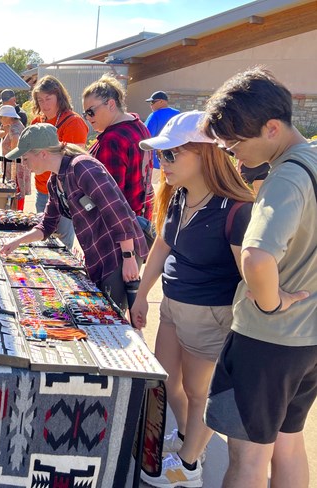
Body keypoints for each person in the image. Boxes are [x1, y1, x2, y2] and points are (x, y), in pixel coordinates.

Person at [202, 67, 315, 488]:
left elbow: (257, 257)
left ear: (272, 128)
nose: (233, 156)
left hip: (269, 340)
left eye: (235, 143)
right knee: (288, 443)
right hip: (308, 340)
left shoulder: (286, 176)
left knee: (248, 457)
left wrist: (270, 302)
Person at [130, 111, 254, 488]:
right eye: (161, 155)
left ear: (204, 154)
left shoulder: (235, 208)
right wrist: (142, 295)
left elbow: (250, 278)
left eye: (170, 155)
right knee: (169, 381)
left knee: (202, 393)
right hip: (172, 308)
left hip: (210, 316)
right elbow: (162, 246)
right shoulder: (179, 198)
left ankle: (187, 467)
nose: (161, 163)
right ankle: (188, 440)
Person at [0, 124, 148, 310]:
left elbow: (117, 211)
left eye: (26, 158)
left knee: (113, 315)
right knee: (104, 312)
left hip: (118, 253)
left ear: (43, 154)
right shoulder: (55, 181)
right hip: (97, 254)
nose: (24, 163)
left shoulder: (82, 167)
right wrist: (18, 240)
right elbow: (47, 224)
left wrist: (128, 257)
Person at [82, 74, 153, 220]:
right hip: (141, 217)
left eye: (91, 111)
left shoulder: (112, 140)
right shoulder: (139, 125)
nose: (88, 117)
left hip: (118, 225)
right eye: (85, 114)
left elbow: (108, 198)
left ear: (111, 104)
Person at [31, 75, 89, 250]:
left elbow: (75, 163)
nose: (45, 104)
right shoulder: (37, 121)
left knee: (62, 243)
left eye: (48, 99)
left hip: (64, 193)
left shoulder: (74, 122)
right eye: (40, 100)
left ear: (59, 97)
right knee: (43, 238)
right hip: (42, 189)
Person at [0, 105, 29, 210]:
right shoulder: (14, 125)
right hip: (16, 165)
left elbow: (15, 142)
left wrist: (11, 157)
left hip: (15, 167)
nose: (0, 120)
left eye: (1, 117)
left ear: (7, 117)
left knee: (15, 193)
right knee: (16, 193)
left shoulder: (14, 128)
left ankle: (16, 213)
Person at [144, 91, 180, 178]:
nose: (151, 105)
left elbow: (145, 137)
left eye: (153, 102)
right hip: (176, 160)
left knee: (156, 189)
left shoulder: (154, 115)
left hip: (157, 162)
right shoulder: (178, 114)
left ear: (161, 101)